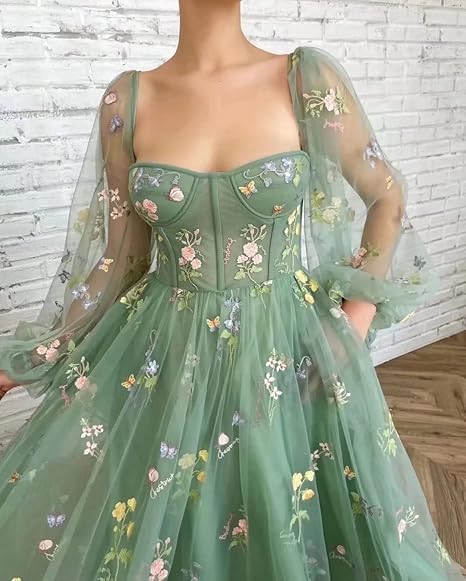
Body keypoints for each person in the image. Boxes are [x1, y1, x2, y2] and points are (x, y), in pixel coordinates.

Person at [0, 1, 463, 579]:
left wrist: (352, 326)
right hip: (167, 356)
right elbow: (121, 261)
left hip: (286, 351)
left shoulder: (304, 80)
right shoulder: (127, 101)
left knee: (283, 509)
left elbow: (385, 194)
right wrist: (36, 355)